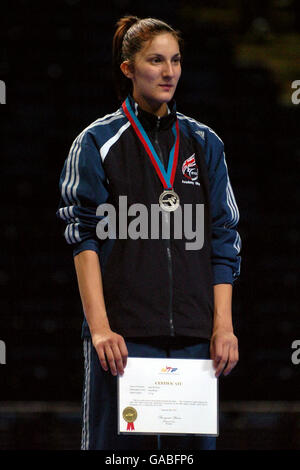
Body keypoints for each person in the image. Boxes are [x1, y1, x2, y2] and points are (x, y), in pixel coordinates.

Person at [56, 15, 241, 451]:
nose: (169, 71)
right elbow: (82, 238)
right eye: (155, 60)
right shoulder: (98, 141)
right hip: (123, 341)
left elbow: (223, 238)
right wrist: (100, 329)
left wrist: (223, 326)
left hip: (196, 341)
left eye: (175, 60)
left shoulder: (204, 143)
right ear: (128, 68)